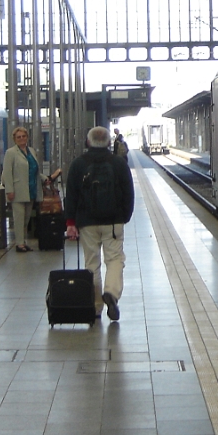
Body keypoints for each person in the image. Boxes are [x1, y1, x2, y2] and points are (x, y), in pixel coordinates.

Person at [64, 126, 134, 321]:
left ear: (88, 142)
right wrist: (124, 216)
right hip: (113, 222)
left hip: (87, 222)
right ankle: (111, 293)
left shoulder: (78, 164)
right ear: (109, 142)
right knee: (114, 259)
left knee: (91, 263)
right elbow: (129, 193)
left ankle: (95, 308)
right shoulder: (119, 163)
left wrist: (70, 222)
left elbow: (71, 195)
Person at [2, 126, 41, 253]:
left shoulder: (31, 151)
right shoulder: (11, 153)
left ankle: (23, 241)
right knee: (18, 218)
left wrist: (45, 178)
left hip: (31, 189)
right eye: (18, 137)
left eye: (23, 136)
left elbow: (34, 170)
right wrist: (9, 190)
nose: (21, 139)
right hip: (17, 190)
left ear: (27, 137)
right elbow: (7, 173)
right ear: (14, 139)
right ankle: (19, 244)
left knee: (26, 218)